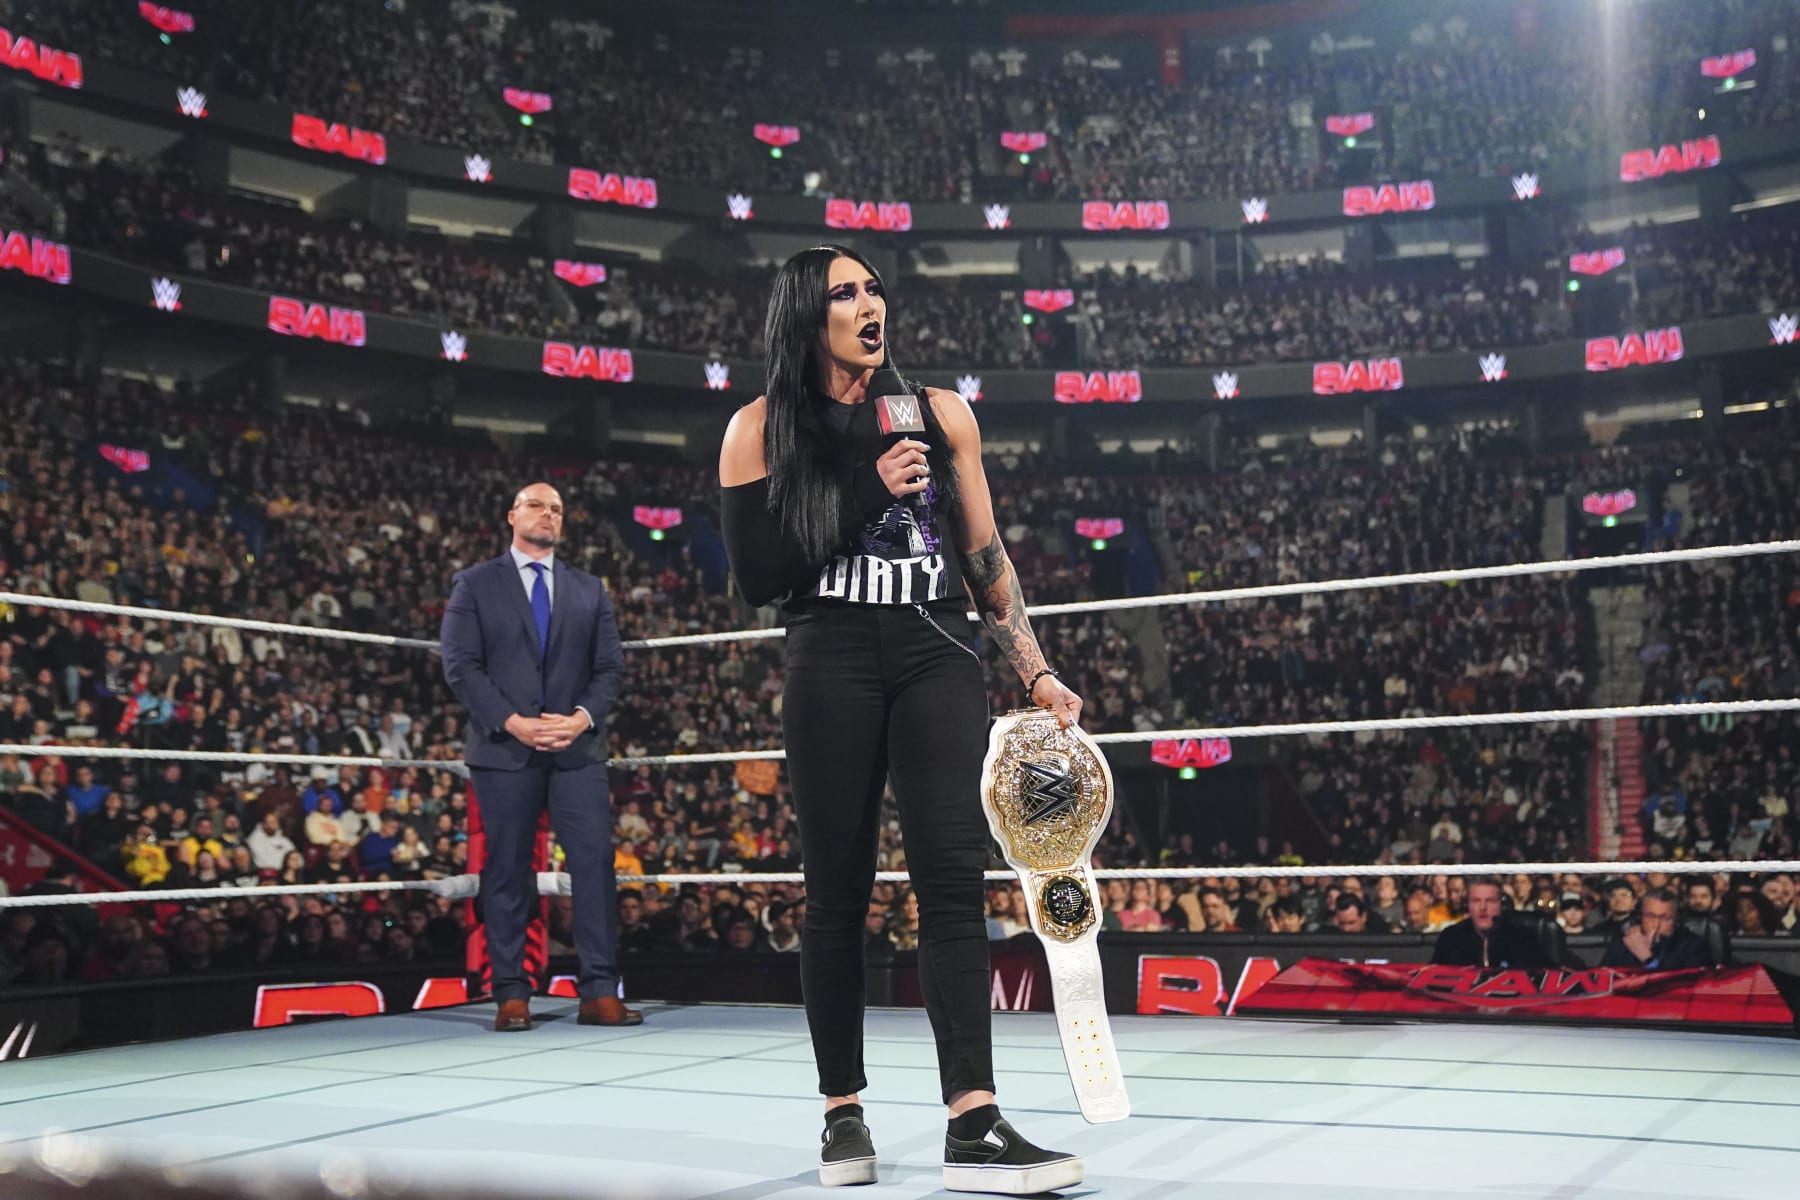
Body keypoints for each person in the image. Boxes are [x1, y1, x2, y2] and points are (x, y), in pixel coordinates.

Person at [719, 245, 1083, 1192]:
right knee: (836, 892)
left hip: (937, 652)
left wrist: (1037, 671)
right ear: (808, 316)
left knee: (953, 881)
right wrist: (868, 488)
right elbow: (758, 576)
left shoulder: (941, 413)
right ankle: (842, 1111)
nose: (867, 304)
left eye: (874, 289)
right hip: (830, 655)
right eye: (844, 293)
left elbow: (984, 555)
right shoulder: (758, 429)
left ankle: (975, 1117)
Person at [440, 481, 638, 1032]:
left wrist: (579, 718)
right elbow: (460, 664)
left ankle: (600, 991)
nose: (547, 514)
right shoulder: (475, 584)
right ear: (512, 515)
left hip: (577, 748)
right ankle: (511, 994)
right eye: (536, 505)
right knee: (507, 868)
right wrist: (512, 721)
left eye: (556, 509)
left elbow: (610, 669)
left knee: (594, 864)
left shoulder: (588, 589)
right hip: (505, 747)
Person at [1430, 877, 1552, 969]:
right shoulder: (1450, 937)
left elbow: (1546, 977)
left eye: (1490, 901)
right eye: (1476, 901)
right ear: (1467, 905)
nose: (1483, 908)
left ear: (1501, 905)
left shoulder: (1524, 938)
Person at [1600, 887, 1716, 970]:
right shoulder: (1624, 942)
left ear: (1676, 921)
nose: (1656, 924)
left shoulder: (1694, 947)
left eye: (1665, 918)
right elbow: (1601, 982)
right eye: (1650, 916)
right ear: (1639, 918)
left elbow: (1682, 989)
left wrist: (1648, 959)